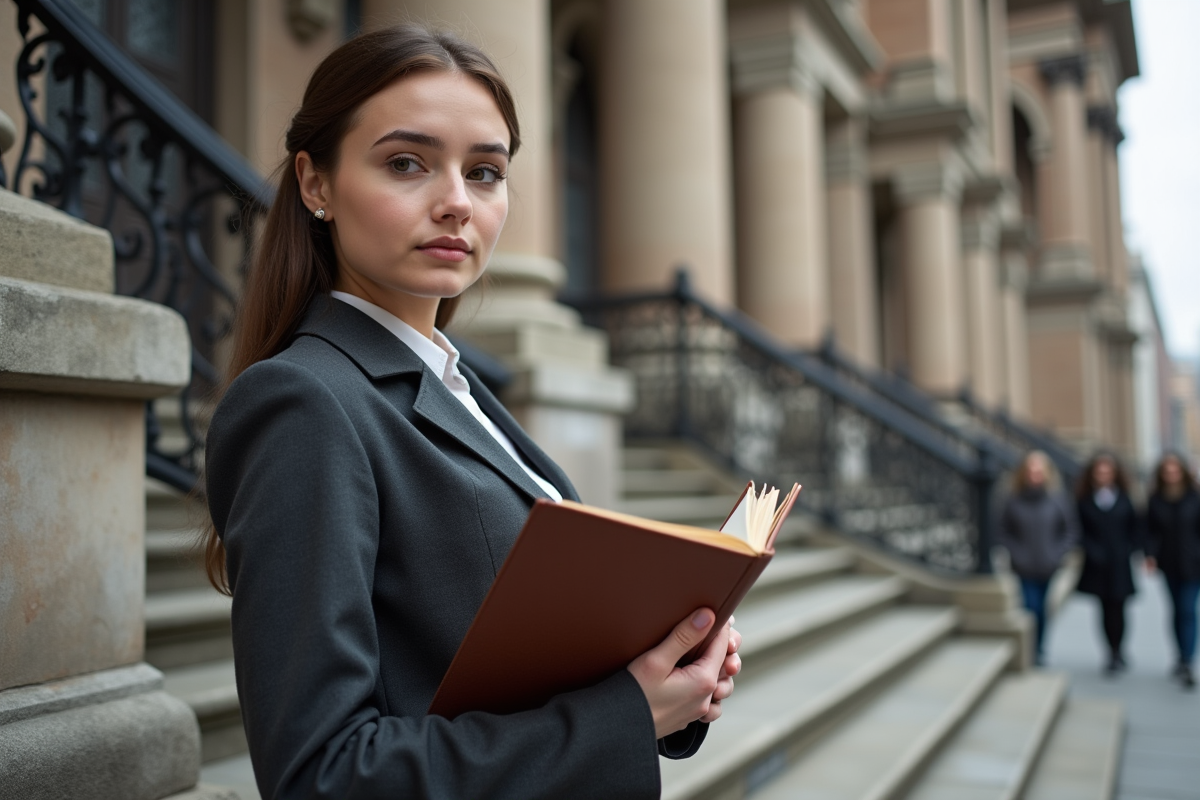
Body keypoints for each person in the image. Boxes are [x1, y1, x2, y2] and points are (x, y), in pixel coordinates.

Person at [200, 26, 740, 799]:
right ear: (316, 183)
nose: (456, 202)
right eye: (406, 163)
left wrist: (675, 678)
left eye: (485, 172)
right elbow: (323, 774)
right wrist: (625, 714)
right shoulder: (304, 404)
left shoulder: (458, 384)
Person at [999, 450, 1080, 666]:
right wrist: (1016, 553)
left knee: (1042, 609)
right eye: (1031, 470)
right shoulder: (1013, 500)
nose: (1035, 474)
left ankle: (1040, 648)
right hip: (1023, 566)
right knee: (1030, 607)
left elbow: (1070, 531)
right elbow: (1004, 531)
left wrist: (1057, 553)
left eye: (1039, 470)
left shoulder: (1057, 500)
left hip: (1048, 565)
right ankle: (1030, 649)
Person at [1074, 453, 1142, 675]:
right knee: (1104, 608)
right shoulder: (1085, 500)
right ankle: (1110, 651)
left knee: (1119, 607)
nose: (1103, 475)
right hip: (1097, 564)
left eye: (1107, 472)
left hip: (1119, 563)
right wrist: (1092, 550)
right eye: (1100, 472)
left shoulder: (1124, 498)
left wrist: (1130, 549)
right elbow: (1079, 530)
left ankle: (1119, 649)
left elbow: (1135, 527)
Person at [1145, 453, 1200, 689]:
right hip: (1168, 563)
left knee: (1188, 610)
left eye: (1175, 470)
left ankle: (1188, 660)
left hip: (1194, 564)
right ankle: (1180, 655)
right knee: (1176, 610)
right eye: (1167, 471)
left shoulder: (1195, 497)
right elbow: (1149, 530)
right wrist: (1150, 554)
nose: (1172, 475)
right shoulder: (1156, 499)